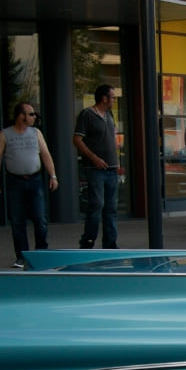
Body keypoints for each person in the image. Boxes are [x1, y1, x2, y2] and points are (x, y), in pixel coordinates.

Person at [0, 101, 59, 268]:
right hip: (15, 181)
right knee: (17, 221)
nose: (34, 117)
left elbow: (46, 155)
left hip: (35, 180)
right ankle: (21, 256)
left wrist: (53, 176)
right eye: (31, 114)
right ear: (21, 116)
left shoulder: (36, 133)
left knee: (40, 219)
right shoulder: (4, 135)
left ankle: (41, 252)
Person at [73, 84, 121, 249]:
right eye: (112, 97)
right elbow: (77, 140)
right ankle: (88, 240)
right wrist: (94, 159)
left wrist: (117, 161)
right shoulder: (87, 115)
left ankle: (110, 242)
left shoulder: (109, 114)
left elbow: (111, 139)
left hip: (112, 168)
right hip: (95, 169)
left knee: (111, 207)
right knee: (97, 204)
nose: (114, 100)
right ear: (104, 98)